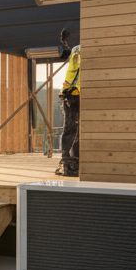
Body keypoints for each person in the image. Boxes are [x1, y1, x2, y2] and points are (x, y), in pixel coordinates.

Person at [57, 44, 81, 177]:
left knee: (71, 129)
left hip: (74, 94)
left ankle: (70, 164)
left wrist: (66, 86)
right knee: (76, 129)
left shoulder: (78, 49)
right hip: (77, 94)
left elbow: (72, 69)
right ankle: (73, 163)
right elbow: (74, 69)